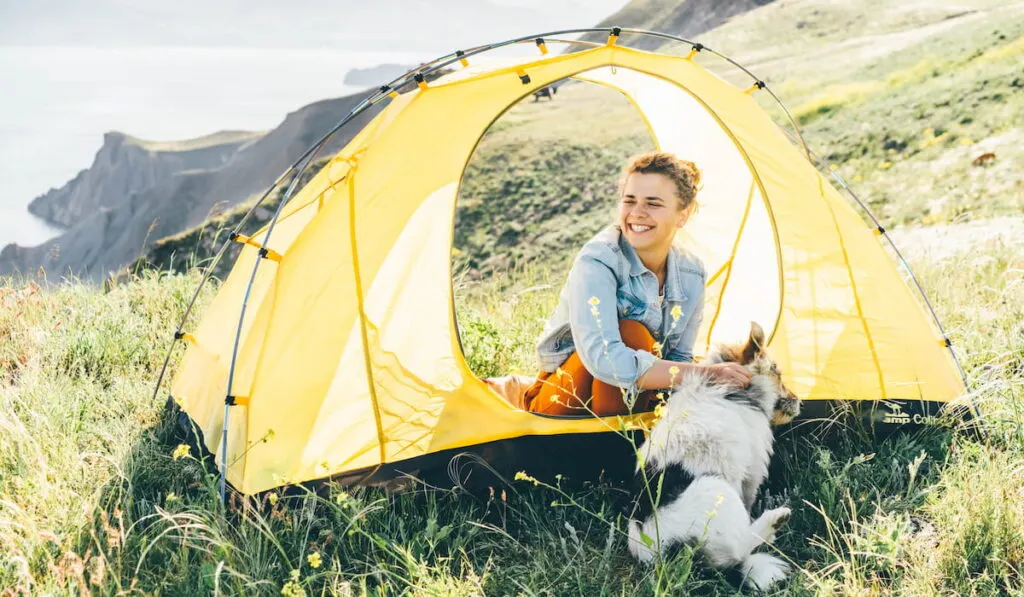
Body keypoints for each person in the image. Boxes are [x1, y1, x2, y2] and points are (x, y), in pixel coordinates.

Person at [524, 151, 752, 416]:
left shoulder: (691, 274)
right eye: (629, 200)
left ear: (683, 215)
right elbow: (604, 360)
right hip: (563, 401)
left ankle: (638, 443)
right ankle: (614, 449)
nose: (636, 213)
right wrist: (705, 374)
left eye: (653, 203)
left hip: (637, 402)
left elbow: (679, 358)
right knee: (631, 332)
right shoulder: (598, 260)